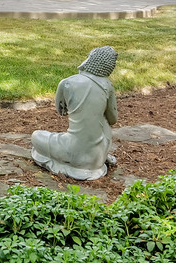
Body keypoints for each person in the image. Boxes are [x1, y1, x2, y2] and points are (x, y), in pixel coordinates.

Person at [30, 46, 119, 180]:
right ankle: (98, 156)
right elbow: (113, 119)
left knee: (36, 136)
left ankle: (71, 162)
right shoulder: (108, 86)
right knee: (103, 118)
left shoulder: (67, 83)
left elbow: (61, 111)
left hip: (73, 150)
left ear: (91, 60)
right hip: (98, 156)